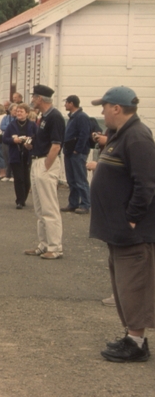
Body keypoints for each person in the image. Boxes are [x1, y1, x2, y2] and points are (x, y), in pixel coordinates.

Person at [88, 86, 155, 363]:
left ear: (117, 108)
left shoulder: (138, 137)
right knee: (123, 287)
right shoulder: (121, 135)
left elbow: (146, 183)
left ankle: (136, 342)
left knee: (134, 285)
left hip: (131, 233)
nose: (102, 111)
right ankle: (132, 336)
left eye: (104, 106)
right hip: (117, 231)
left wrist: (131, 217)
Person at [23, 85, 66, 260]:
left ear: (40, 98)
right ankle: (44, 244)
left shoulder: (55, 117)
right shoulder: (44, 117)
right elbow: (46, 139)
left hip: (45, 162)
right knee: (40, 208)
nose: (32, 99)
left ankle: (55, 247)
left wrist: (47, 166)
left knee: (49, 208)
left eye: (34, 96)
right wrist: (32, 143)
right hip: (37, 160)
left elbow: (56, 145)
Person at [4, 103, 37, 209]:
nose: (18, 113)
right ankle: (19, 200)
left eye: (21, 111)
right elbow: (5, 139)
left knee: (26, 179)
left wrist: (30, 140)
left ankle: (24, 198)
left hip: (27, 154)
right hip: (15, 154)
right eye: (17, 111)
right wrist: (14, 140)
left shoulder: (32, 125)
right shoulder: (11, 125)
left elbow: (38, 137)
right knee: (18, 178)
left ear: (27, 113)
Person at [62, 95, 91, 215]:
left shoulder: (81, 117)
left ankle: (85, 204)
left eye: (66, 103)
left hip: (77, 153)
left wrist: (77, 150)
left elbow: (84, 134)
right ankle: (73, 203)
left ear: (72, 103)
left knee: (80, 179)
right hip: (69, 151)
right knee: (71, 180)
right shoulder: (73, 117)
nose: (65, 105)